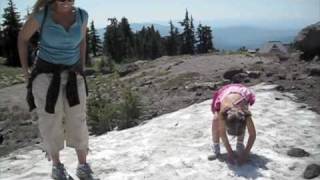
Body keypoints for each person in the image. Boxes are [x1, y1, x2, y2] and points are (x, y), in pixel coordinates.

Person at [18, 0, 98, 179]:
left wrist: (81, 67)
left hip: (73, 74)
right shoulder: (43, 15)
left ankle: (83, 165)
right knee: (50, 119)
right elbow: (22, 38)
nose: (66, 2)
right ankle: (57, 166)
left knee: (78, 118)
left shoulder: (82, 15)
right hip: (46, 74)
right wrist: (26, 72)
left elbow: (82, 41)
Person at [210, 84, 256, 165]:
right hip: (226, 94)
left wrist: (245, 154)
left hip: (241, 95)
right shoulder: (223, 111)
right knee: (215, 120)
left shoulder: (245, 113)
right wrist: (230, 152)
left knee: (240, 122)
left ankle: (240, 143)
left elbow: (252, 135)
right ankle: (216, 146)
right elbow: (222, 133)